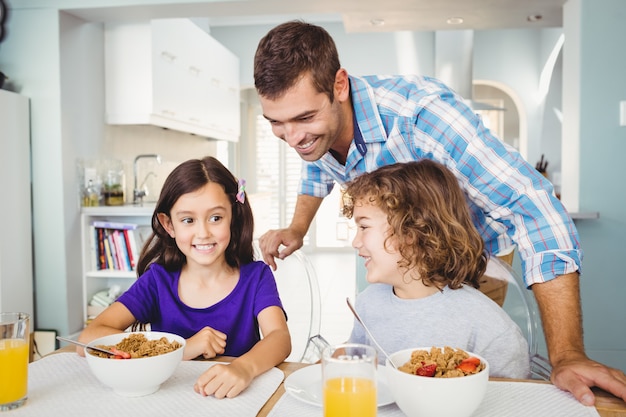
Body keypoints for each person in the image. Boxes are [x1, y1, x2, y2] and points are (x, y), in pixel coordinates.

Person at [253, 20, 626, 404]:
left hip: (477, 263)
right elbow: (315, 162)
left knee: (455, 380)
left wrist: (567, 354)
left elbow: (537, 211)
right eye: (276, 124)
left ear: (340, 86)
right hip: (404, 269)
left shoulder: (422, 117)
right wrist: (298, 228)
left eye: (304, 119)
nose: (293, 138)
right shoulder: (316, 132)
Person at [77, 156, 291, 399]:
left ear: (233, 217)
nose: (203, 233)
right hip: (164, 400)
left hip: (236, 401)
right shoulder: (158, 281)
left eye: (216, 218)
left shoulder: (256, 277)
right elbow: (88, 338)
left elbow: (280, 338)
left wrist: (244, 367)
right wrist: (180, 348)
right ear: (169, 225)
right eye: (188, 220)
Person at [343, 160, 530, 378]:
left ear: (411, 232)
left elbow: (514, 401)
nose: (355, 242)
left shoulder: (491, 330)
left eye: (364, 227)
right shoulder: (367, 303)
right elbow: (354, 362)